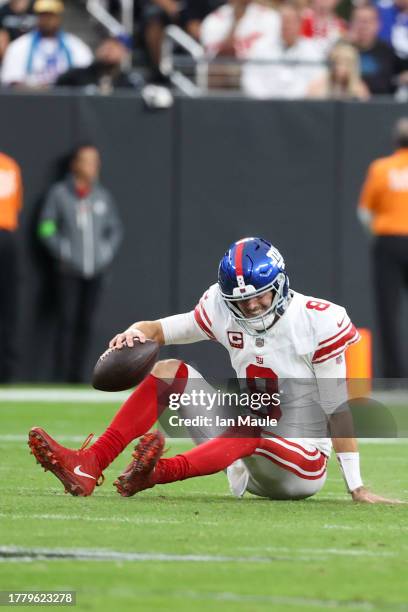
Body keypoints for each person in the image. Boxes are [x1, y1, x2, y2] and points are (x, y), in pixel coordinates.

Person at [28, 237, 399, 504]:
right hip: (239, 452)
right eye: (241, 300)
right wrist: (134, 332)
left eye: (259, 295)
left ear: (281, 284)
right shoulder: (221, 308)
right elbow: (161, 329)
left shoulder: (320, 320)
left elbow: (338, 409)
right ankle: (89, 464)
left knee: (253, 426)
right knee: (169, 370)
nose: (252, 306)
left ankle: (155, 472)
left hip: (301, 462)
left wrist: (357, 486)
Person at [37, 144, 123, 383]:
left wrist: (104, 252)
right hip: (67, 271)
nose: (93, 166)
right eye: (87, 161)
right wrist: (63, 250)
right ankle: (62, 376)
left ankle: (79, 376)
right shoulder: (59, 194)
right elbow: (46, 227)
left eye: (96, 161)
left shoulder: (102, 196)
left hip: (95, 272)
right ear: (75, 164)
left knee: (87, 324)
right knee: (66, 321)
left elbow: (114, 230)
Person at [358, 118, 408, 378]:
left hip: (389, 241)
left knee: (388, 310)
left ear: (394, 141)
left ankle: (395, 375)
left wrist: (376, 235)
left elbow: (365, 212)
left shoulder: (381, 168)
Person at [1, 0, 92, 88]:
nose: (48, 20)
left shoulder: (77, 47)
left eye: (51, 15)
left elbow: (86, 82)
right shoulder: (19, 46)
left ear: (59, 17)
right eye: (43, 15)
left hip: (66, 102)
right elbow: (11, 82)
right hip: (30, 100)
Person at [200, 0, 281, 93]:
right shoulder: (215, 18)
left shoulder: (269, 16)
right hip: (230, 70)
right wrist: (236, 22)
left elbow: (272, 51)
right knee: (217, 70)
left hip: (260, 69)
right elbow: (216, 56)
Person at [247, 2, 325, 99]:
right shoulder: (261, 46)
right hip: (264, 106)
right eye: (283, 21)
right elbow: (250, 79)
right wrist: (267, 101)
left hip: (301, 107)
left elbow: (317, 80)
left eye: (290, 21)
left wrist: (292, 101)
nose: (286, 26)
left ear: (300, 23)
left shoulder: (312, 50)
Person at [0, 151, 23, 383]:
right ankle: (7, 371)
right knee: (9, 307)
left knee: (9, 306)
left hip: (5, 233)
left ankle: (6, 370)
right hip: (7, 235)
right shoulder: (9, 164)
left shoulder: (9, 164)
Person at [56, 36, 143, 93]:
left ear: (124, 53)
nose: (108, 52)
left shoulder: (129, 81)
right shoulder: (76, 76)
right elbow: (56, 90)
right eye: (106, 47)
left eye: (114, 48)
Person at [349, 5, 399, 95]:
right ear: (351, 23)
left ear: (378, 24)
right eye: (359, 21)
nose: (363, 26)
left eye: (368, 21)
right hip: (348, 105)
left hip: (382, 105)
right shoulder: (342, 49)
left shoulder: (387, 51)